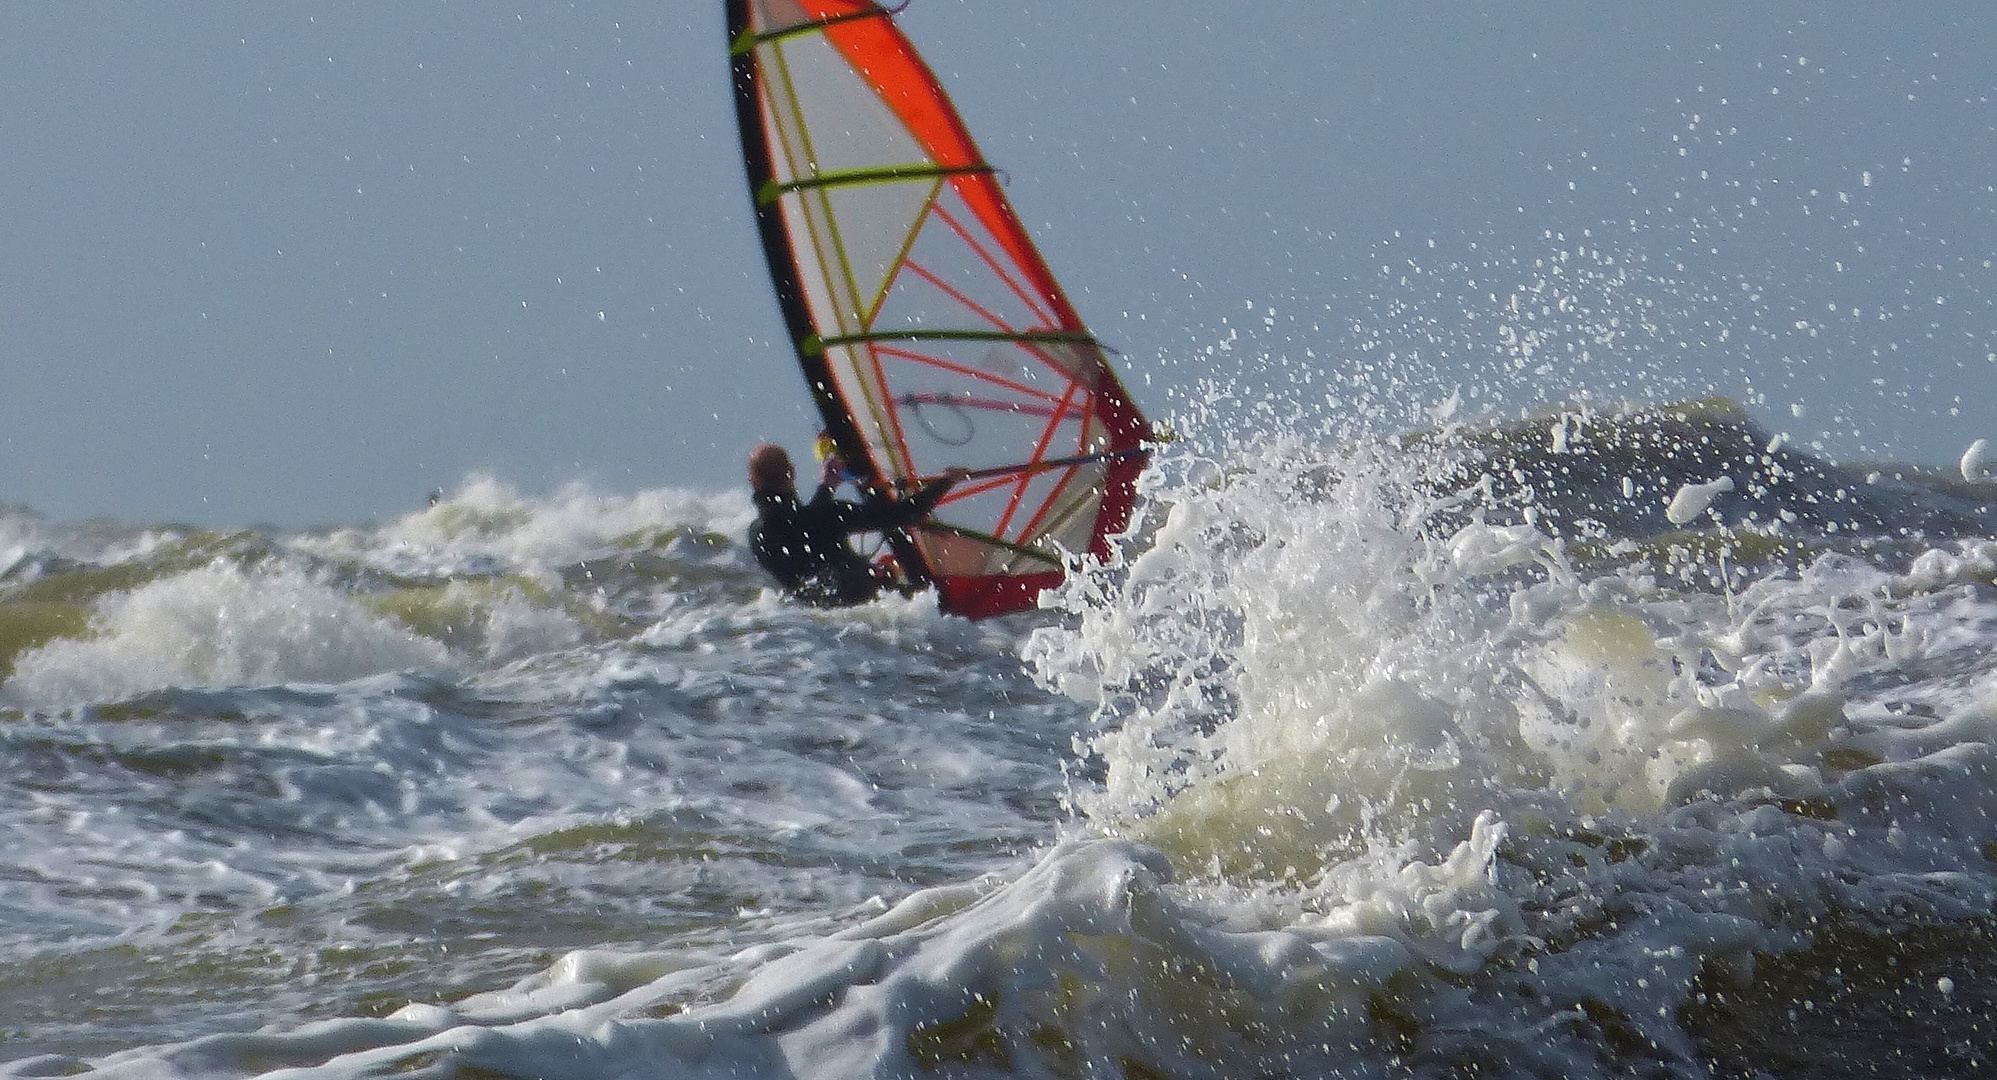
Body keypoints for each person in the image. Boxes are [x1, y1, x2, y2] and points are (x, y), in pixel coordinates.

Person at [746, 442, 965, 607]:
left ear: (753, 482)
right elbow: (902, 515)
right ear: (792, 473)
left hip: (813, 615)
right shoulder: (828, 515)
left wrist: (827, 488)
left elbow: (799, 528)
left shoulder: (757, 535)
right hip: (867, 602)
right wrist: (945, 482)